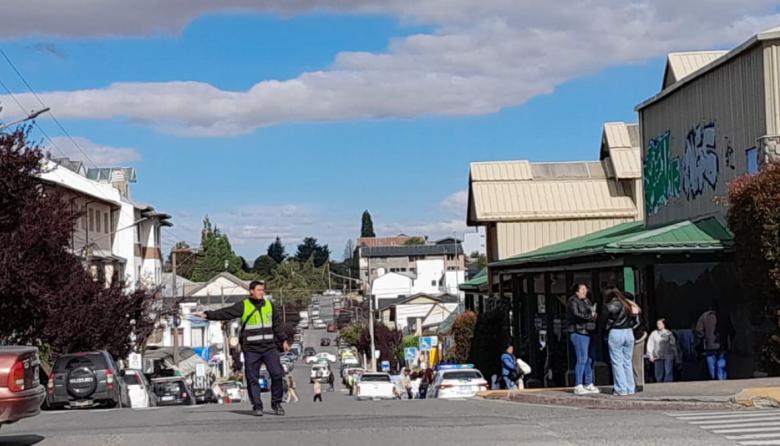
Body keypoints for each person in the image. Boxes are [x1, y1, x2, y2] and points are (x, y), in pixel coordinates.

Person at [194, 280, 287, 416]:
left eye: (263, 290)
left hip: (269, 347)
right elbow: (226, 313)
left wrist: (284, 340)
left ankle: (276, 403)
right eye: (259, 290)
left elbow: (277, 325)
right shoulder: (244, 305)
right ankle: (257, 405)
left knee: (277, 374)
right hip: (251, 349)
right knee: (252, 378)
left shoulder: (269, 305)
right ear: (251, 291)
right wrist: (208, 314)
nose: (262, 293)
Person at [566, 283, 600, 395]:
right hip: (579, 331)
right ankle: (578, 384)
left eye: (586, 289)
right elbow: (576, 314)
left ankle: (589, 382)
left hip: (589, 331)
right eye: (583, 289)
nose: (585, 291)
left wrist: (594, 315)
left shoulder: (587, 301)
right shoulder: (573, 301)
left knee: (590, 358)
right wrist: (590, 317)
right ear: (577, 291)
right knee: (582, 358)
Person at [605, 288, 637, 396]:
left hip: (616, 332)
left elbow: (606, 317)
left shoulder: (612, 304)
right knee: (627, 362)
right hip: (629, 332)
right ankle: (630, 388)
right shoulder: (628, 304)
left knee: (617, 362)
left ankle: (620, 389)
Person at [696, 305, 735, 380]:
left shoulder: (704, 316)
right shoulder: (724, 316)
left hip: (709, 345)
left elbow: (698, 330)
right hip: (722, 344)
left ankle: (714, 379)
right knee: (721, 362)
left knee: (711, 363)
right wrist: (728, 340)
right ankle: (721, 379)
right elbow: (732, 331)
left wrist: (704, 338)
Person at [625, 292, 647, 392]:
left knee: (636, 362)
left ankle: (638, 383)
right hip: (632, 337)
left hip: (637, 338)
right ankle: (633, 383)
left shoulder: (633, 308)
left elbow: (637, 323)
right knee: (631, 362)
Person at [647, 318, 680, 382]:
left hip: (668, 355)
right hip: (658, 355)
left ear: (664, 324)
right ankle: (659, 385)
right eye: (657, 324)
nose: (658, 325)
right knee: (658, 374)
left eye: (659, 324)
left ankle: (668, 384)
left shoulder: (669, 334)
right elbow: (650, 345)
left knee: (668, 371)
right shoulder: (654, 334)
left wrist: (676, 356)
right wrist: (650, 355)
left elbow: (673, 345)